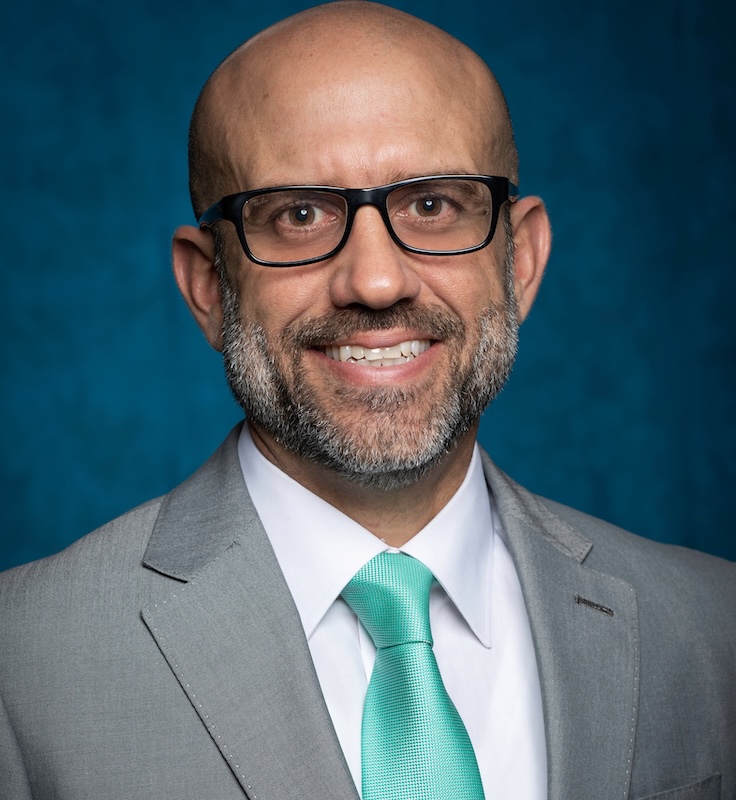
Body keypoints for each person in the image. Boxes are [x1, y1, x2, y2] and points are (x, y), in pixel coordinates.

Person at [1, 2, 734, 798]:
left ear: (520, 262)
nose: (377, 282)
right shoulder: (22, 663)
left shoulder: (713, 629)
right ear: (209, 285)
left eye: (433, 205)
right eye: (299, 215)